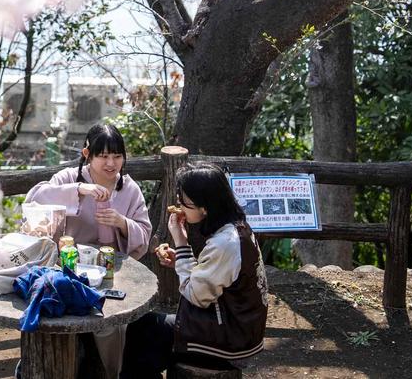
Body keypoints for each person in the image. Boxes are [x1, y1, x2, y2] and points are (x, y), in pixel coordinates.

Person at [23, 123, 152, 378]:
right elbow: (34, 200)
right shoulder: (70, 178)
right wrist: (79, 190)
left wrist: (122, 223)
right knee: (49, 313)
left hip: (107, 271)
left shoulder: (129, 188)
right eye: (103, 156)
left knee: (109, 322)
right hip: (64, 267)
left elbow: (144, 233)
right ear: (87, 155)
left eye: (117, 156)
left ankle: (111, 372)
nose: (111, 163)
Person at [121, 162, 269, 378]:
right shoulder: (236, 227)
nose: (179, 206)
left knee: (141, 330)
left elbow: (196, 296)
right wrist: (181, 259)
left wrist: (180, 241)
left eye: (184, 202)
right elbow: (213, 274)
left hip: (228, 340)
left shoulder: (225, 243)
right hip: (238, 327)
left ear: (205, 207)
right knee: (144, 331)